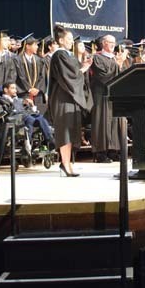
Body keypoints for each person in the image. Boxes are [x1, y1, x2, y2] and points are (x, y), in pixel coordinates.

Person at [47, 25, 92, 177]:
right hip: (62, 98)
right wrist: (83, 70)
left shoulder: (69, 55)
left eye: (72, 39)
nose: (71, 42)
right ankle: (65, 165)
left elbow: (76, 73)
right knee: (65, 131)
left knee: (71, 131)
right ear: (60, 40)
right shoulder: (59, 55)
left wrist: (83, 69)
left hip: (70, 97)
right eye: (68, 39)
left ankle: (65, 163)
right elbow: (70, 76)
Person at [89, 35, 121, 163]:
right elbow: (104, 77)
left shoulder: (114, 58)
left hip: (113, 95)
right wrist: (117, 64)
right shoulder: (97, 58)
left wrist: (119, 64)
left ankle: (113, 150)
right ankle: (100, 153)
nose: (113, 44)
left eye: (114, 42)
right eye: (110, 42)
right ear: (103, 43)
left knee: (114, 122)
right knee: (101, 122)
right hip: (101, 95)